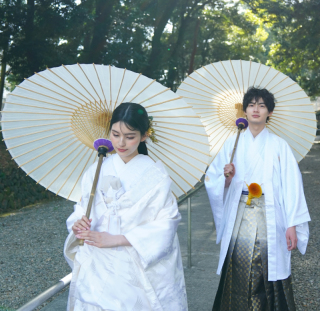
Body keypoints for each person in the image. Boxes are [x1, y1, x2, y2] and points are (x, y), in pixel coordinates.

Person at [64, 102, 187, 311]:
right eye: (115, 134)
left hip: (134, 260)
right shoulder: (97, 168)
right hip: (97, 259)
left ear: (145, 135)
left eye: (130, 136)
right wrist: (78, 224)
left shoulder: (157, 177)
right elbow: (82, 206)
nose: (121, 143)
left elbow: (167, 223)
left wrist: (118, 239)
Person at [205, 87, 310, 311]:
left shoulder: (279, 145)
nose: (256, 109)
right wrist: (225, 178)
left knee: (267, 266)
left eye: (262, 106)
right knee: (236, 263)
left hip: (270, 214)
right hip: (239, 212)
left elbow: (293, 187)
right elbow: (213, 179)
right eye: (252, 105)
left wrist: (292, 224)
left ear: (269, 112)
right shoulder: (231, 144)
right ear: (244, 110)